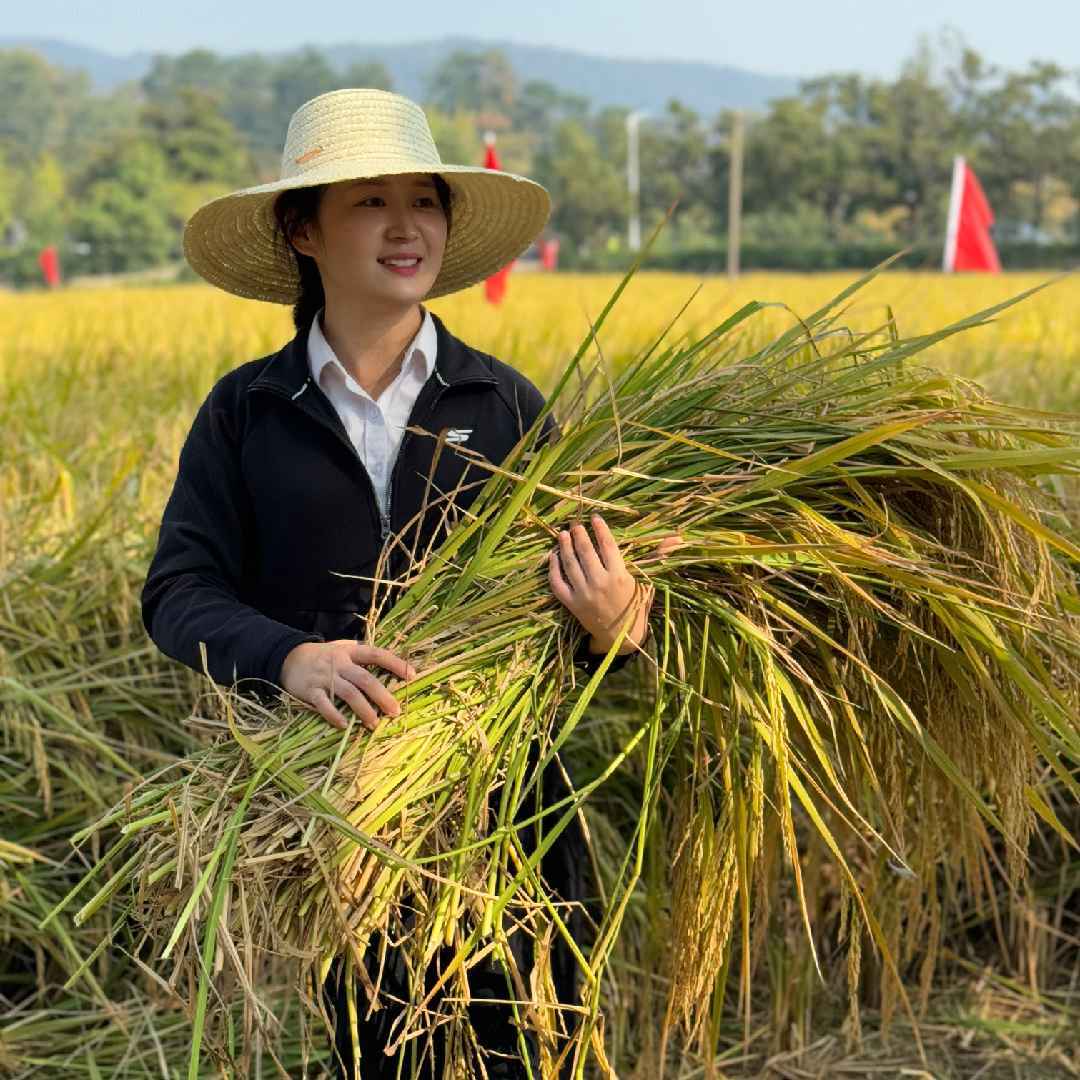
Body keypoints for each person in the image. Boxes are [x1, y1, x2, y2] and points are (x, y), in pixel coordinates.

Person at [141, 88, 678, 1079]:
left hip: (511, 812)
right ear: (302, 230)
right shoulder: (248, 412)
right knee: (378, 1052)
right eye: (370, 202)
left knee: (532, 1049)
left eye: (424, 202)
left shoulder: (504, 404)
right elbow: (178, 592)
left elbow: (608, 598)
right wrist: (289, 658)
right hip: (341, 816)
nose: (406, 227)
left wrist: (620, 622)